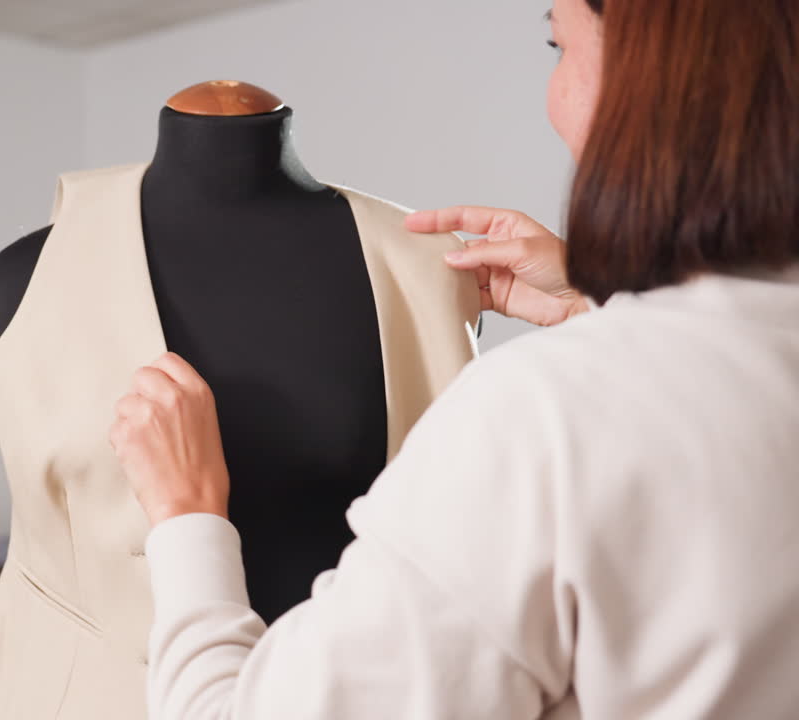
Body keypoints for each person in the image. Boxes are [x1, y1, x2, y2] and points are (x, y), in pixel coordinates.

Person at [110, 0, 799, 717]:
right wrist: (603, 308)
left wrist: (186, 518)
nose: (552, 97)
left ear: (647, 72)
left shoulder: (545, 422)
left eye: (556, 44)